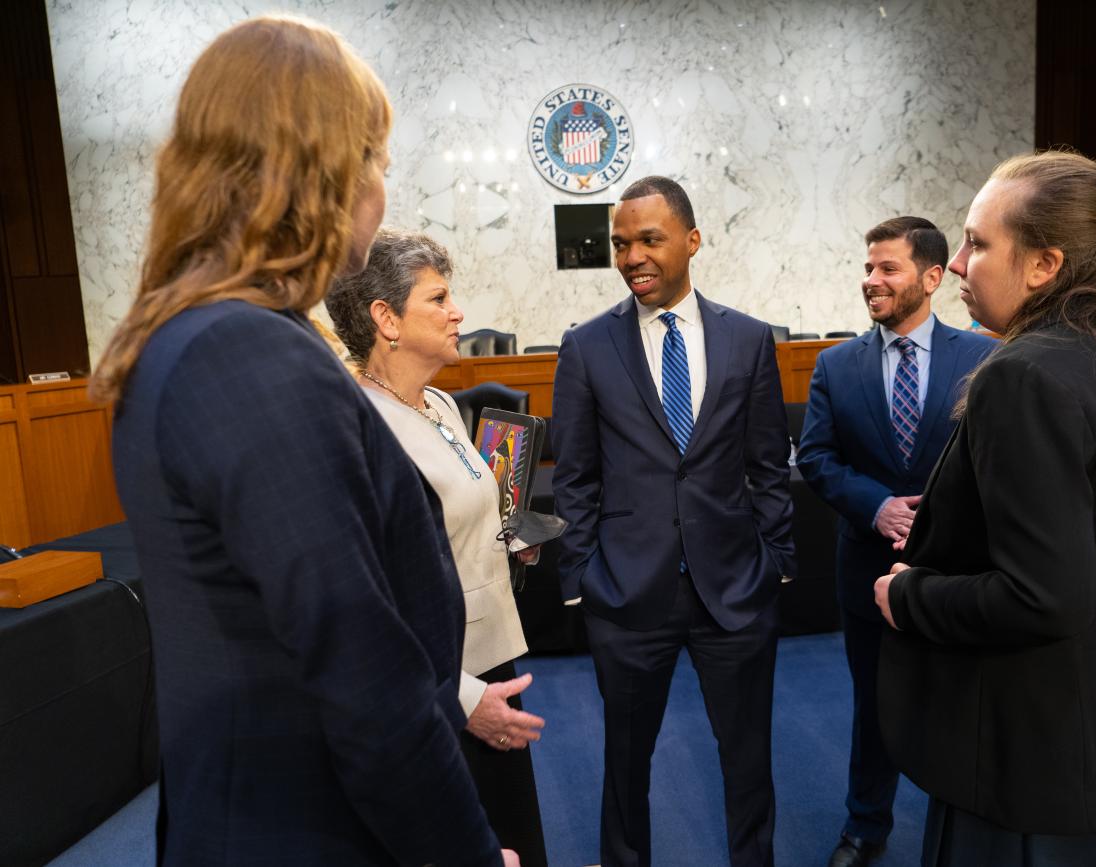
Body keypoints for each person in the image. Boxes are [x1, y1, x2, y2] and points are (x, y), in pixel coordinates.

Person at [91, 17, 513, 867]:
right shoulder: (251, 355)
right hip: (312, 827)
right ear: (326, 169)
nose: (382, 190)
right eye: (380, 165)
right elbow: (363, 677)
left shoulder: (183, 334)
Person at [874, 151, 1096, 865]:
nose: (963, 264)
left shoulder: (1026, 373)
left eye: (978, 242)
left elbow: (1043, 598)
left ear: (1045, 264)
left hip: (1045, 760)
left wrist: (909, 593)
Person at [550, 175, 796, 867]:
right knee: (624, 766)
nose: (632, 256)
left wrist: (777, 560)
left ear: (691, 240)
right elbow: (574, 475)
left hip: (736, 591)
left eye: (649, 239)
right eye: (620, 243)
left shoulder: (748, 340)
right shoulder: (588, 346)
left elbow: (768, 463)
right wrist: (580, 579)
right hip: (627, 597)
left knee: (749, 760)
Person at [327, 228, 549, 865]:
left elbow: (457, 521)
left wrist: (510, 540)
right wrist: (461, 698)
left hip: (491, 655)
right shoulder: (361, 426)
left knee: (512, 834)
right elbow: (369, 602)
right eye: (439, 298)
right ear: (385, 319)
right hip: (435, 688)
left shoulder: (443, 404)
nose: (458, 313)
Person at [797, 217, 994, 866]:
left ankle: (963, 830)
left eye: (887, 269)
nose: (870, 281)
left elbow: (996, 460)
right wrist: (874, 505)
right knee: (875, 705)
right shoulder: (835, 365)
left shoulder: (986, 359)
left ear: (932, 277)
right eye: (867, 268)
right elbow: (817, 458)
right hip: (865, 570)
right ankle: (865, 826)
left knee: (963, 705)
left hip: (959, 576)